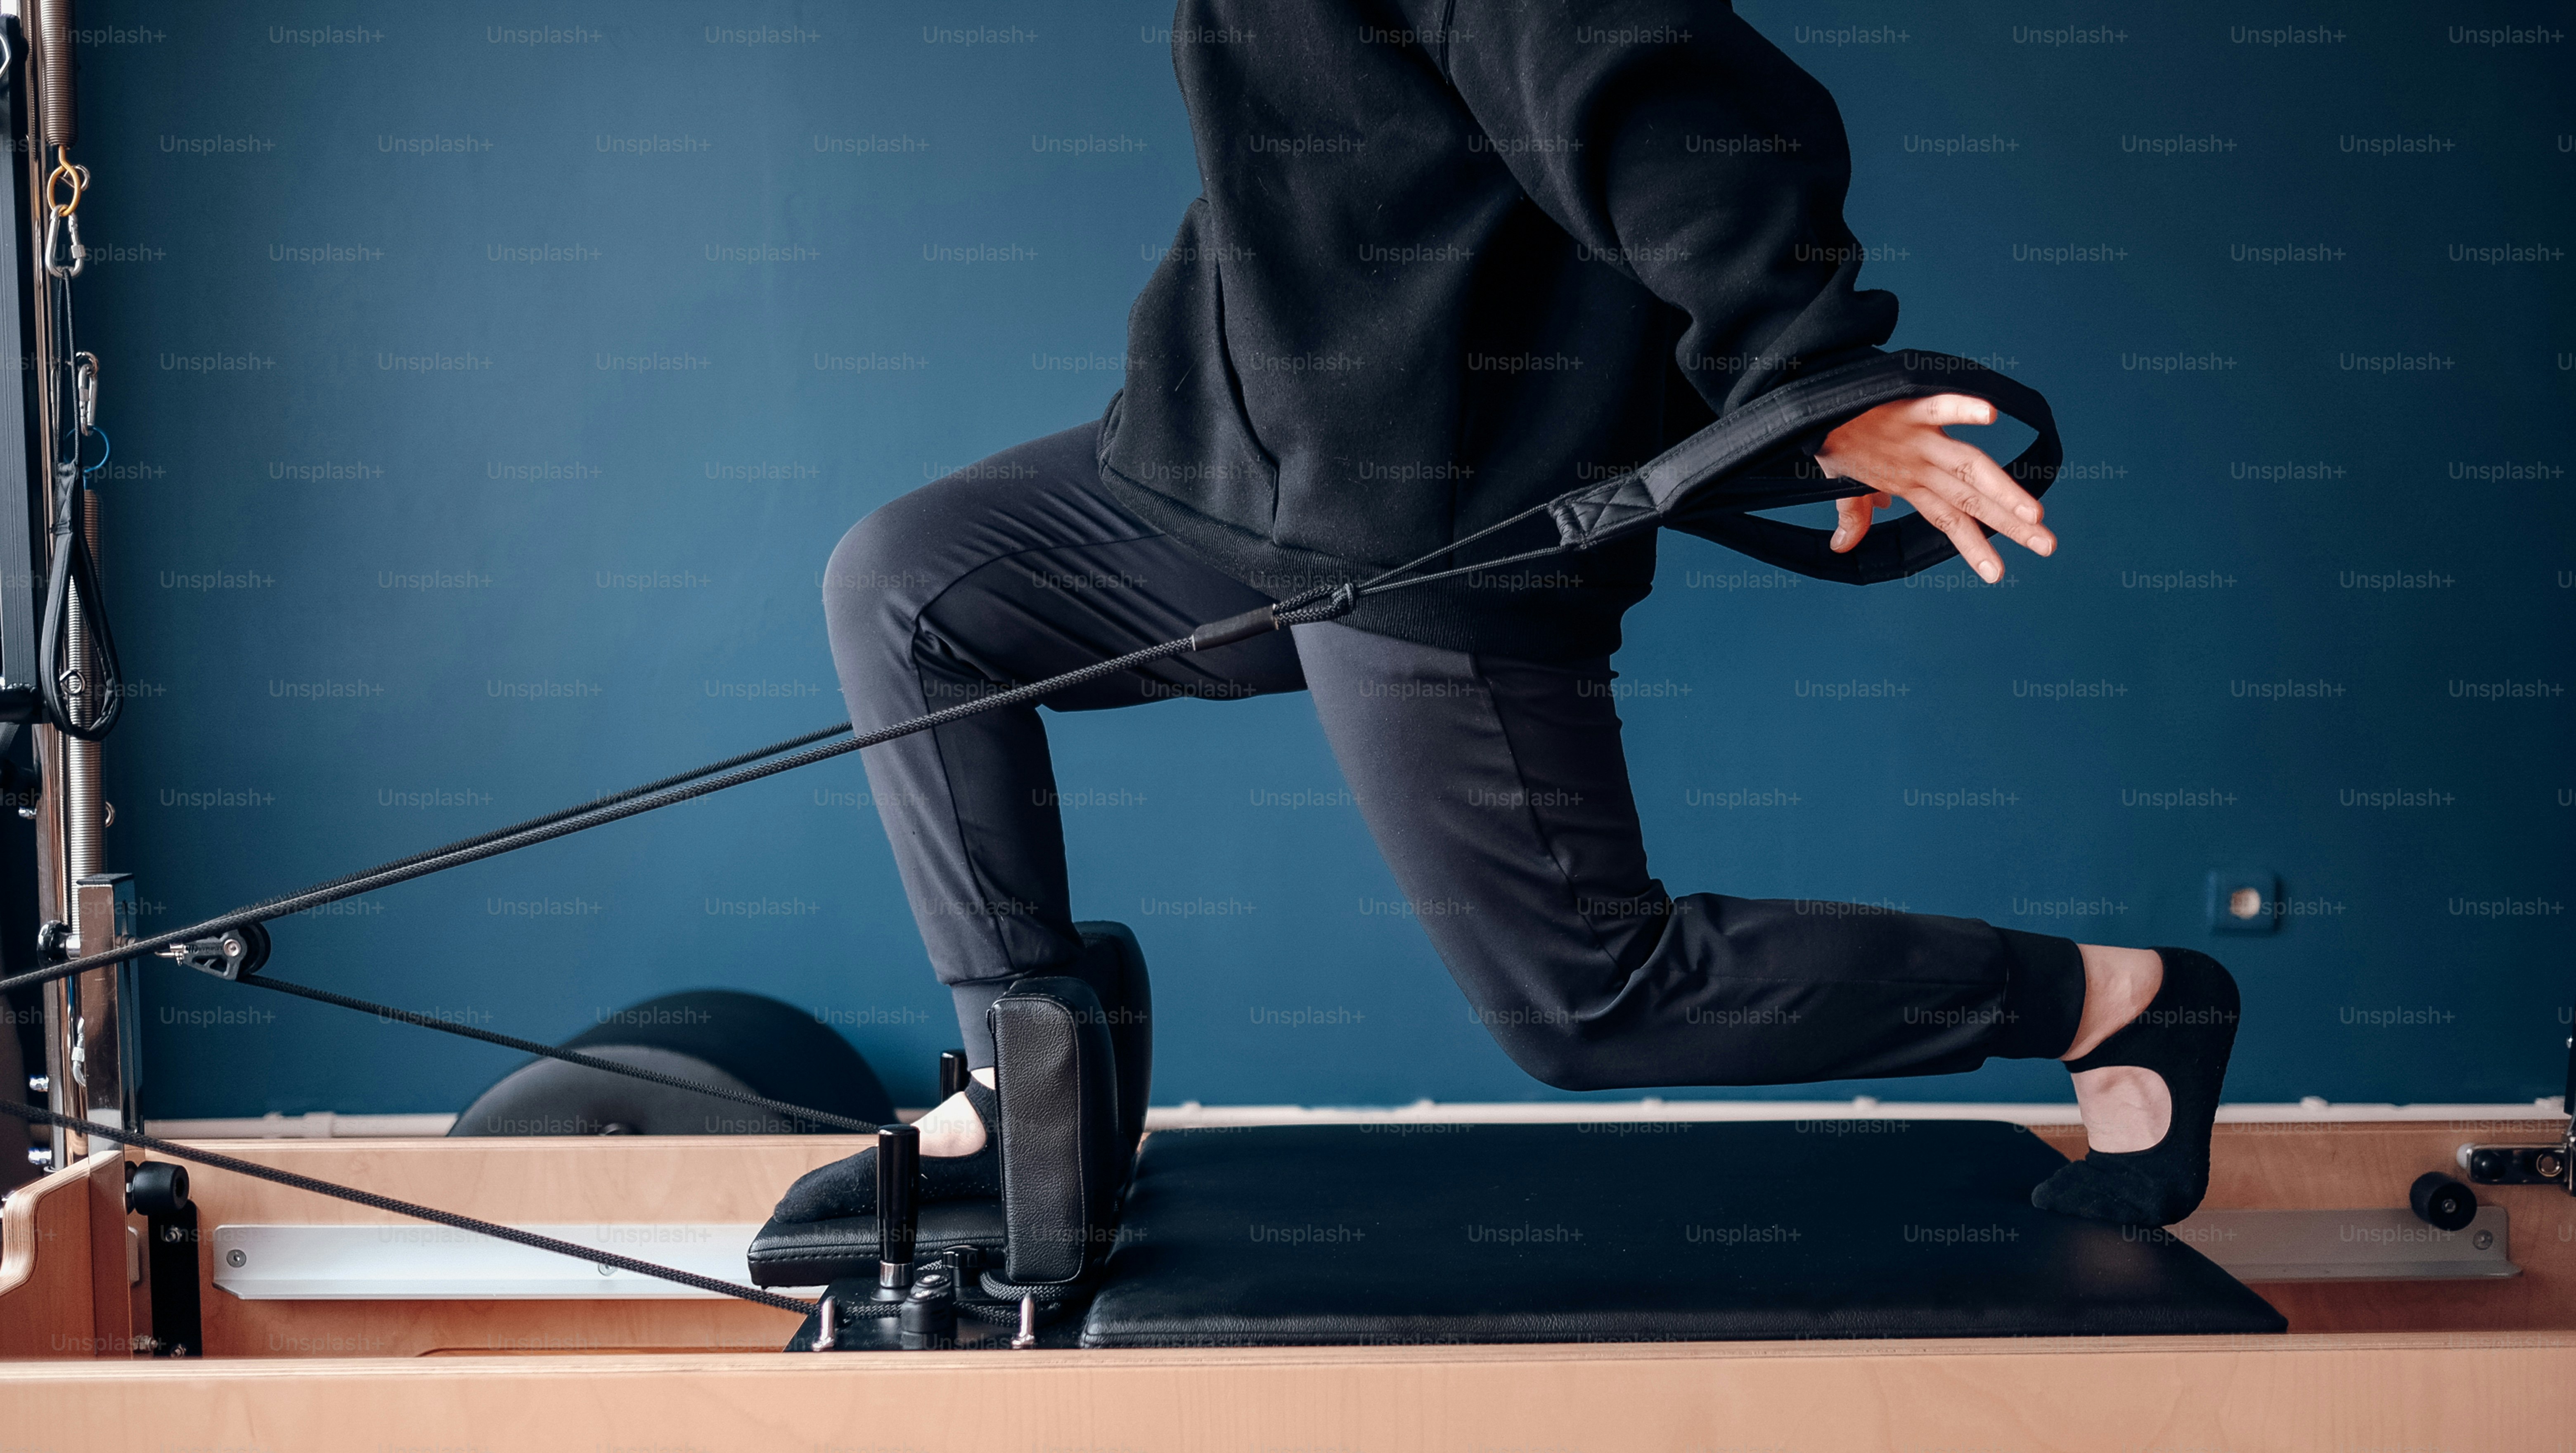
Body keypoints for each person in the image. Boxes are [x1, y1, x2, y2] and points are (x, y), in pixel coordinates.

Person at [774, 2, 2238, 1230]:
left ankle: (2115, 1002)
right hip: (1239, 470)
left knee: (1590, 1001)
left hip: (1435, 508)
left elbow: (1649, 89)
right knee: (913, 586)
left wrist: (1811, 377)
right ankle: (1028, 1107)